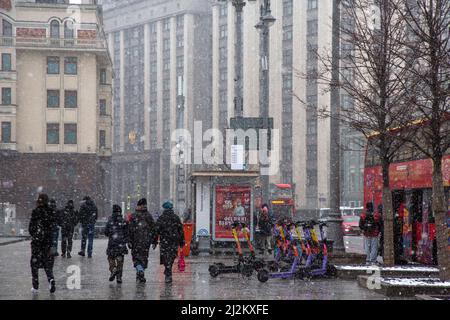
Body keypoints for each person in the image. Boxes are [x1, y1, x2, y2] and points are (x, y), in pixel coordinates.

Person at [29, 194, 57, 293]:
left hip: (37, 242)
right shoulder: (51, 212)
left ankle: (35, 286)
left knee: (34, 263)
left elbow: (31, 228)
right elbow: (54, 226)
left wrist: (35, 234)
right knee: (47, 263)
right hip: (48, 242)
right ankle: (51, 279)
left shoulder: (35, 212)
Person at [153, 201, 185, 284]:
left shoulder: (161, 218)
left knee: (166, 256)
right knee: (171, 256)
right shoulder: (176, 218)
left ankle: (168, 272)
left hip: (164, 241)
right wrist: (182, 241)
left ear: (164, 209)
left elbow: (156, 230)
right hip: (174, 241)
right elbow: (180, 230)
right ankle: (168, 271)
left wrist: (155, 241)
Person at [128, 198, 155, 284]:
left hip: (135, 241)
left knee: (136, 258)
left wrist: (129, 240)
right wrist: (154, 241)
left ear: (138, 206)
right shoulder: (149, 216)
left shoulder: (133, 216)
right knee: (144, 258)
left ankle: (139, 271)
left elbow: (129, 230)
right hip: (146, 242)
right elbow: (154, 229)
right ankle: (140, 273)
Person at [105, 205, 128, 284]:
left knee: (111, 258)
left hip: (112, 243)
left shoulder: (110, 220)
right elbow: (127, 232)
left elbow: (106, 232)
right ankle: (119, 277)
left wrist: (111, 235)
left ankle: (113, 269)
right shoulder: (124, 221)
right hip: (121, 244)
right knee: (120, 260)